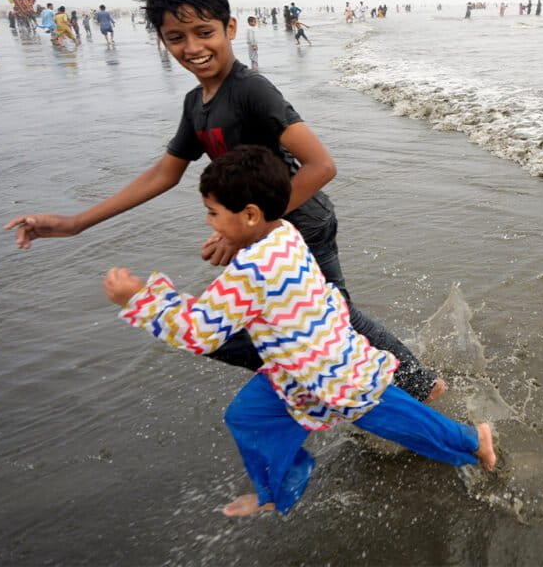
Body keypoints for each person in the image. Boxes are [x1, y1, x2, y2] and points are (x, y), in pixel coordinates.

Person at [5, 0, 445, 403]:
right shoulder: (196, 104)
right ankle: (345, 385)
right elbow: (164, 173)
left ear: (229, 27)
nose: (193, 47)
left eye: (204, 31)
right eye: (177, 38)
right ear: (162, 40)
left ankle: (409, 388)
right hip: (262, 232)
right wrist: (76, 223)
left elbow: (320, 165)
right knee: (295, 329)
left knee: (331, 321)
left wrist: (250, 231)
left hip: (301, 225)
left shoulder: (251, 89)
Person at [103, 145, 495, 517]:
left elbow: (201, 332)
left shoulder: (252, 270)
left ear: (251, 215)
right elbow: (230, 301)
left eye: (213, 213)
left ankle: (474, 440)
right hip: (296, 367)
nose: (209, 221)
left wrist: (140, 298)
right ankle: (276, 491)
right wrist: (231, 243)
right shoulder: (283, 232)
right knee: (247, 416)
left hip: (332, 372)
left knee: (396, 421)